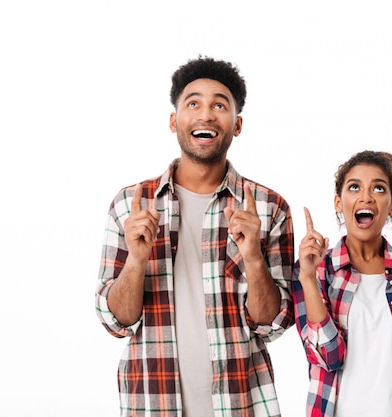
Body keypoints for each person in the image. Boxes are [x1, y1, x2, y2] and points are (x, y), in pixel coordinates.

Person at [95, 56, 295, 417]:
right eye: (193, 103)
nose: (206, 114)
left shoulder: (268, 207)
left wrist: (252, 256)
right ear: (174, 121)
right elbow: (116, 322)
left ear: (237, 125)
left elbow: (273, 324)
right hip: (152, 404)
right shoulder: (130, 206)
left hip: (241, 405)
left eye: (220, 105)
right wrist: (137, 261)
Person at [293, 150, 392, 417]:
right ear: (339, 202)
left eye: (378, 188)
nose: (366, 196)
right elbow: (329, 357)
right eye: (354, 187)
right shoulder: (316, 270)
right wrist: (307, 278)